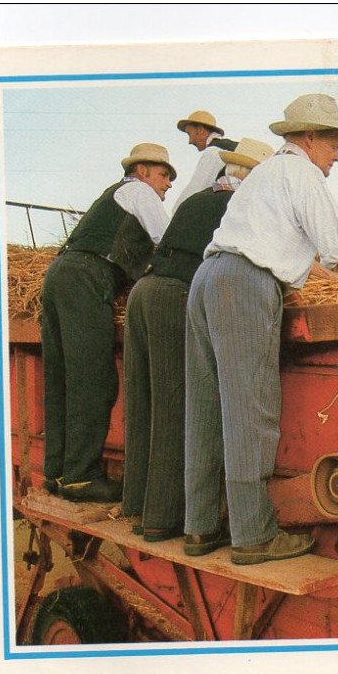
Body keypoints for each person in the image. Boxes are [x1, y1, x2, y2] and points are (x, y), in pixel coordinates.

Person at [183, 93, 338, 565]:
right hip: (243, 285)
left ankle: (199, 528)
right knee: (250, 408)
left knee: (205, 408)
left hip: (208, 279)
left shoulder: (268, 173)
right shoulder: (301, 172)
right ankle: (254, 536)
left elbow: (309, 257)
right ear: (309, 137)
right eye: (335, 142)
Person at [121, 138, 273, 542]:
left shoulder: (196, 199)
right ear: (254, 176)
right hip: (174, 294)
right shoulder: (239, 206)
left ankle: (136, 504)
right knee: (177, 405)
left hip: (144, 290)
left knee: (144, 405)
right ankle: (161, 520)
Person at [43, 143, 174, 503]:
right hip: (88, 277)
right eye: (164, 175)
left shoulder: (113, 196)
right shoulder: (139, 192)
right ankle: (82, 478)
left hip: (60, 273)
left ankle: (56, 472)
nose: (168, 184)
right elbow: (168, 242)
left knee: (62, 377)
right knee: (93, 378)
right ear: (143, 171)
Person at [174, 110, 239, 208]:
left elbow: (196, 189)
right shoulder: (233, 147)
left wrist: (175, 214)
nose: (190, 141)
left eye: (189, 134)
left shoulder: (213, 152)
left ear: (200, 130)